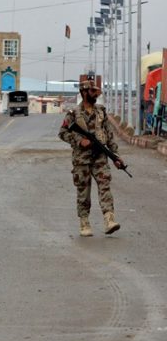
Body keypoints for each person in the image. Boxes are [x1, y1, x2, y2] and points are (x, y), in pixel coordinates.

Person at [58, 78, 122, 237]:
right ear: (83, 92)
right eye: (92, 91)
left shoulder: (101, 111)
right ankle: (84, 222)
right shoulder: (73, 114)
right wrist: (79, 141)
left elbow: (109, 135)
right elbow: (62, 133)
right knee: (83, 191)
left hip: (100, 157)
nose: (95, 94)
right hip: (82, 159)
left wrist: (115, 156)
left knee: (104, 185)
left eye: (96, 91)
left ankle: (109, 219)